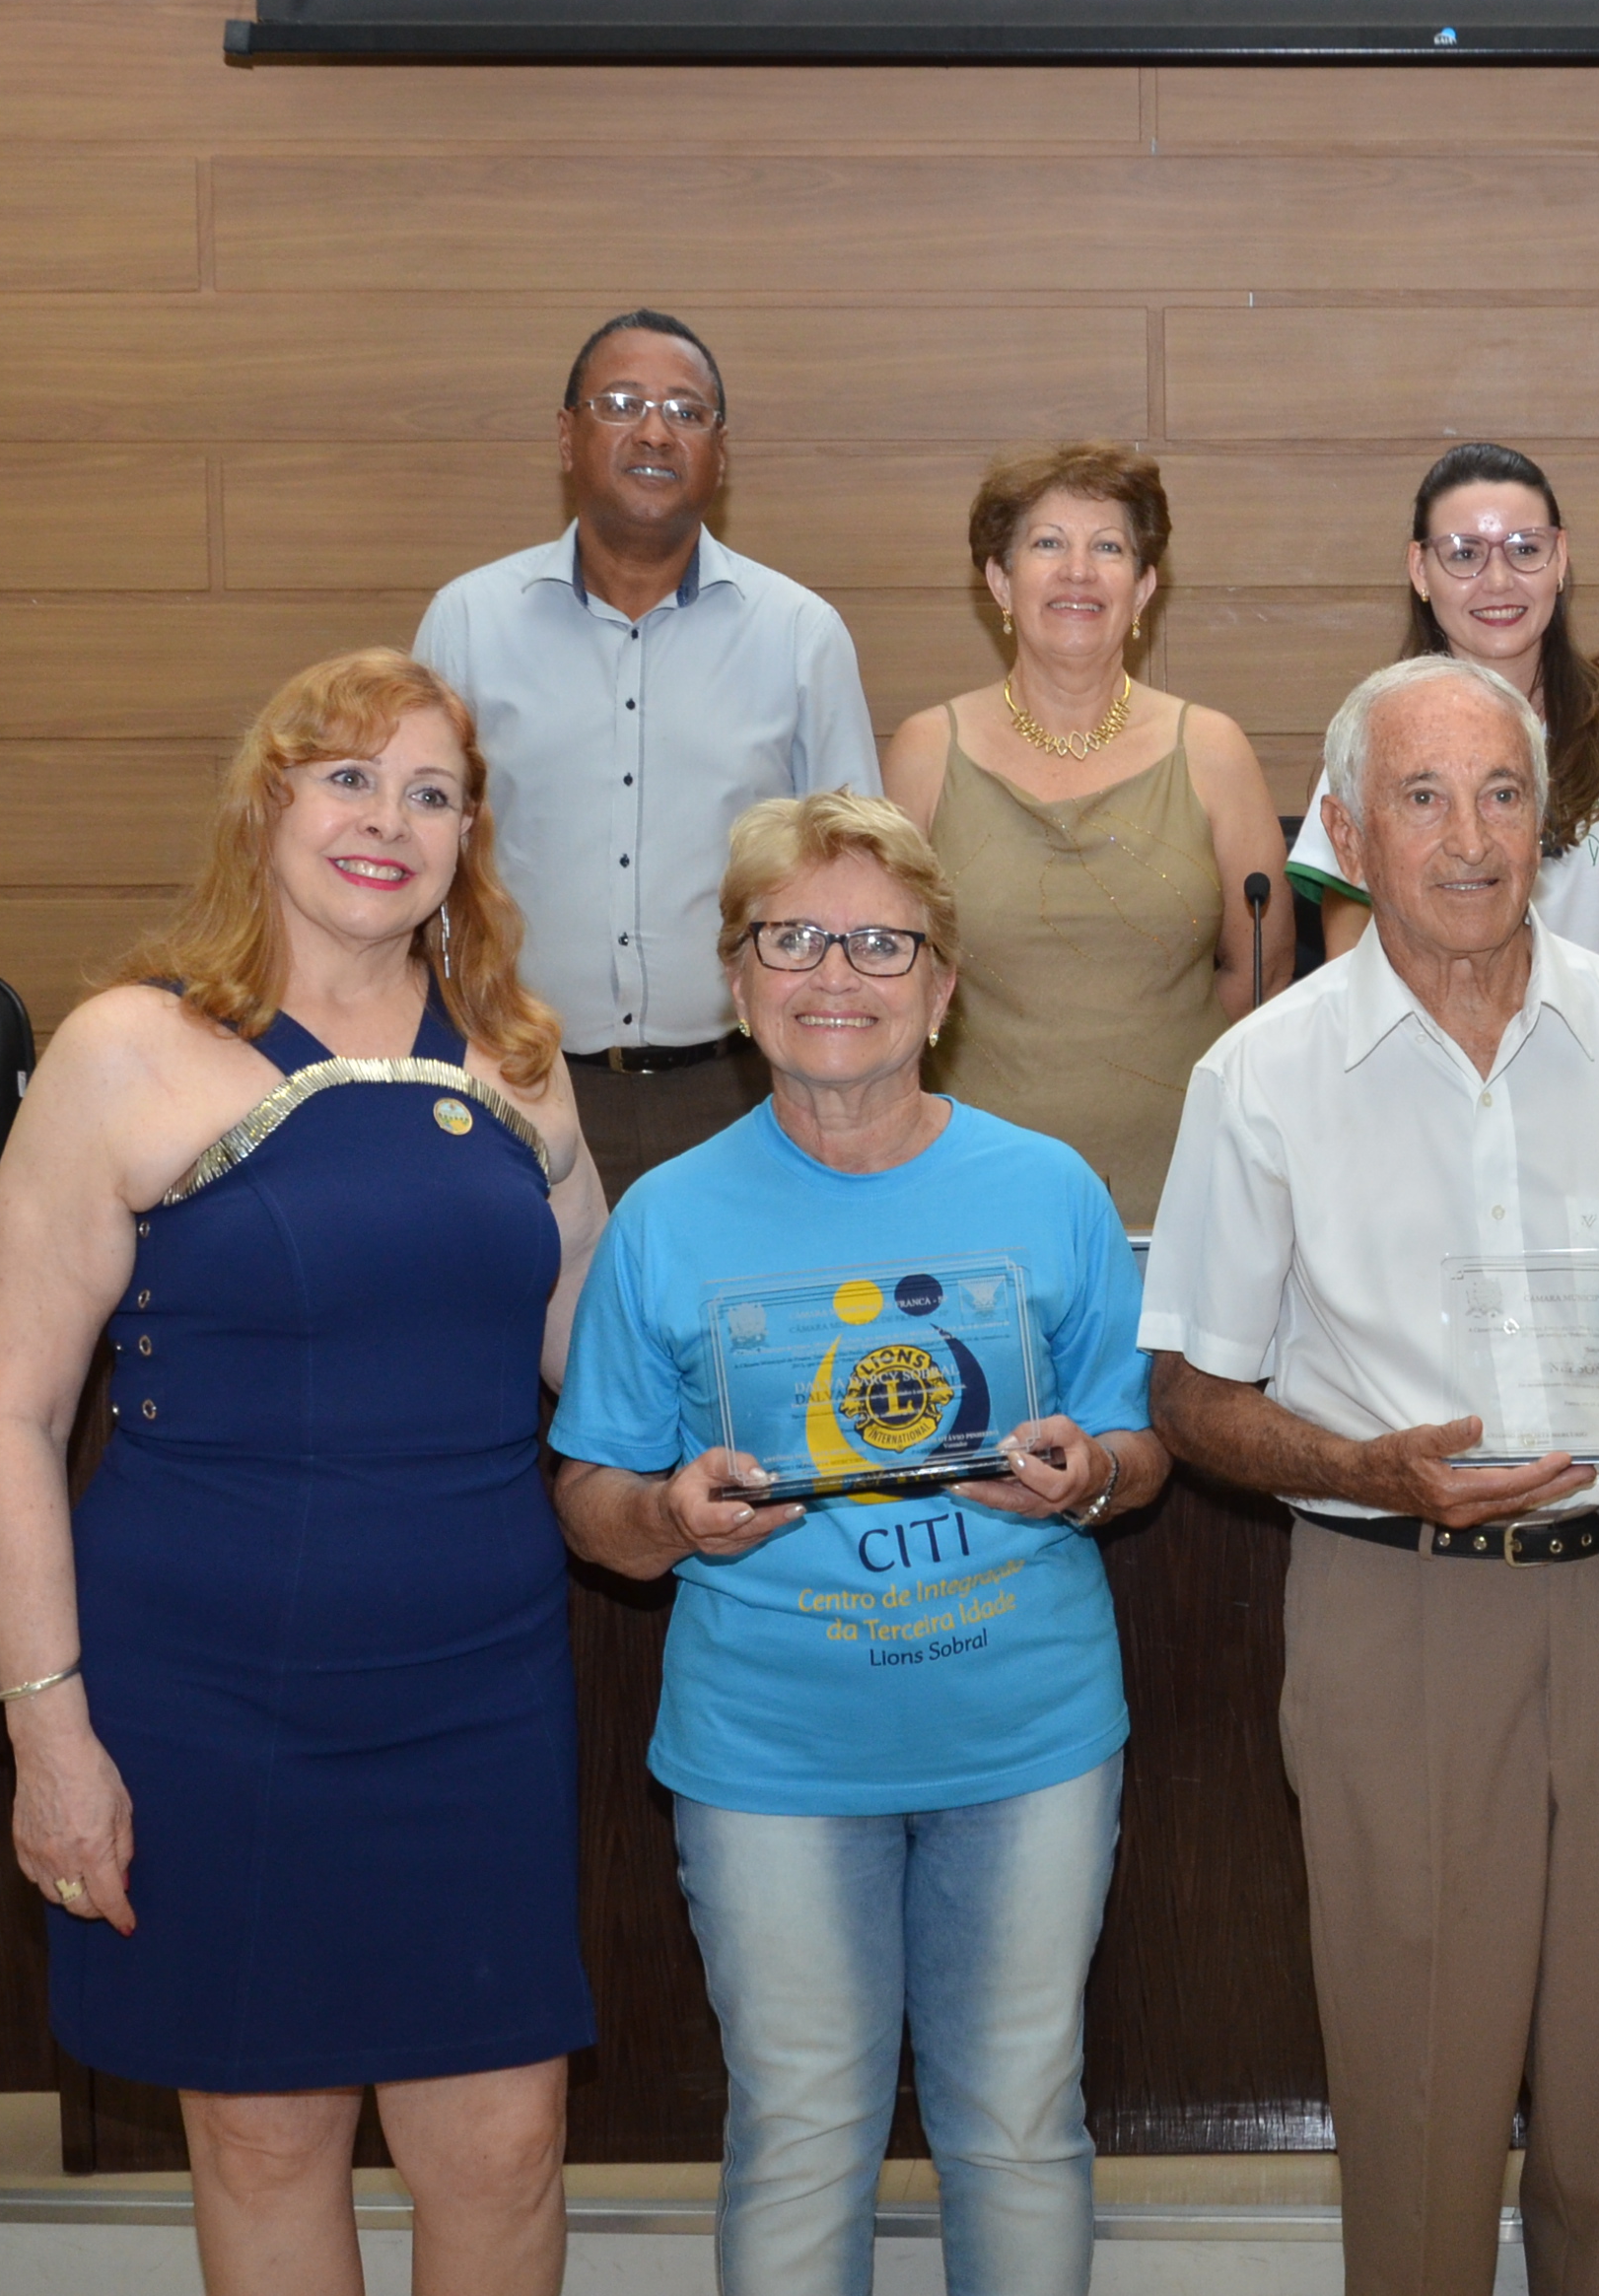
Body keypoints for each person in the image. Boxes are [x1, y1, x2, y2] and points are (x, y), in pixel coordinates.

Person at [1140, 656, 1599, 2296]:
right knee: (1419, 2088)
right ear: (1349, 831)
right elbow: (1193, 1391)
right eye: (1423, 798)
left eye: (1502, 793)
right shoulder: (1263, 1076)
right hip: (1394, 1597)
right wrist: (1366, 1466)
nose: (1469, 837)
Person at [0, 651, 610, 2296]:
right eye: (345, 777)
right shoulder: (123, 1045)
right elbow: (14, 1422)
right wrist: (50, 1732)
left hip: (478, 1684)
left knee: (506, 2143)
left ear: (470, 835)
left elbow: (609, 1373)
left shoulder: (520, 1059)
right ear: (266, 798)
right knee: (262, 2137)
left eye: (431, 791)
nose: (384, 820)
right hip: (207, 1689)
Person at [547, 790, 1167, 2294]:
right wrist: (667, 1517)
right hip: (772, 1760)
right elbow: (593, 1501)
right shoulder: (666, 1220)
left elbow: (1139, 1449)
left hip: (1025, 1739)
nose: (838, 974)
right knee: (804, 2126)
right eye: (795, 939)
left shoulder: (1052, 1189)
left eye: (882, 944)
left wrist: (1088, 1479)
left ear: (943, 988)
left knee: (1018, 2125)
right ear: (742, 980)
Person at [415, 308, 882, 1196]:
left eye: (687, 411)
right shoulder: (467, 624)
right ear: (566, 435)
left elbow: (856, 877)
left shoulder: (799, 634)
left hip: (740, 1095)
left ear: (721, 450)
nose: (655, 430)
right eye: (621, 402)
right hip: (514, 1082)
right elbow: (414, 855)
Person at [881, 443, 1291, 1227]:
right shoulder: (925, 750)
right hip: (972, 1188)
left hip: (1187, 1187)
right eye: (1047, 544)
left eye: (1107, 547)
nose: (1078, 571)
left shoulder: (1214, 750)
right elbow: (895, 979)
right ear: (1000, 582)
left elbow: (1260, 977)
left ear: (1142, 589)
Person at [1286, 443, 1599, 985]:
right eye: (1464, 553)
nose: (1499, 581)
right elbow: (1349, 967)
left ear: (1561, 559)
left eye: (1526, 549)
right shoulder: (1376, 730)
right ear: (1420, 569)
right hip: (1449, 1063)